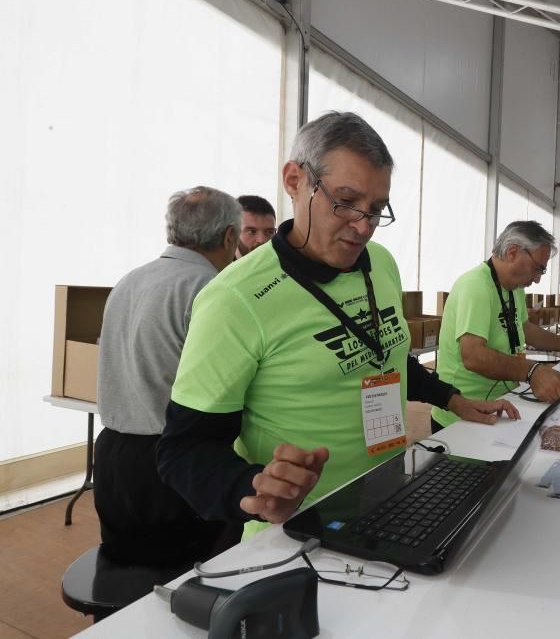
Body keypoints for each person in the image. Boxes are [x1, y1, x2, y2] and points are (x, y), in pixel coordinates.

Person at [157, 112, 518, 538]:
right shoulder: (235, 298)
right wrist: (251, 486)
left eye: (376, 209)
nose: (364, 226)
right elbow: (184, 449)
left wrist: (453, 400)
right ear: (295, 181)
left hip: (389, 496)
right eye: (346, 202)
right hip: (300, 531)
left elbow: (387, 356)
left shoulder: (381, 265)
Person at [95, 187, 242, 566]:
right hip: (173, 462)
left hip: (112, 457)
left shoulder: (128, 281)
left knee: (123, 572)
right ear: (229, 236)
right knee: (182, 580)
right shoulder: (210, 290)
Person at [432, 221, 560, 429]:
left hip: (502, 404)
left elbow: (523, 328)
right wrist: (531, 371)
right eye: (538, 269)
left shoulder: (514, 288)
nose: (536, 279)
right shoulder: (475, 286)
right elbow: (473, 356)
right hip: (464, 415)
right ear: (512, 253)